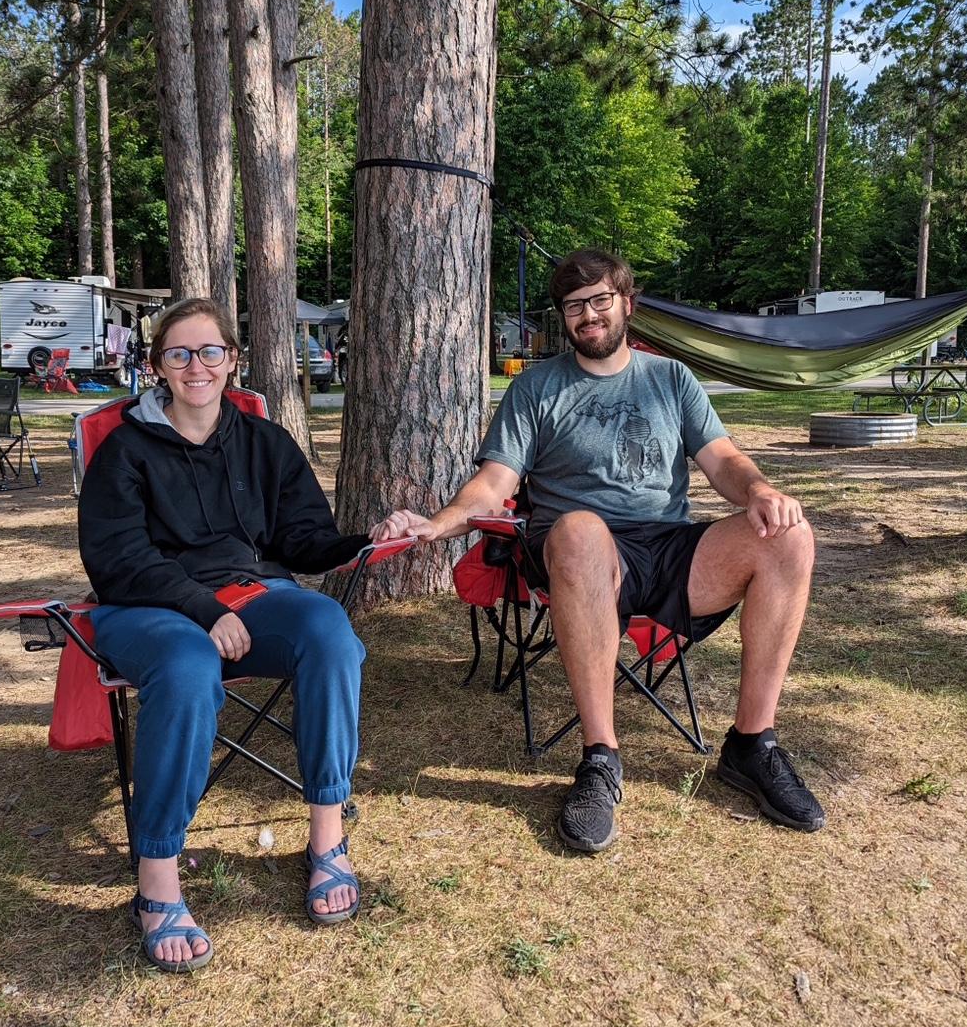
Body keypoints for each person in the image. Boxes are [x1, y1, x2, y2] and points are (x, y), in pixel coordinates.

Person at [372, 248, 823, 853]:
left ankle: (752, 744)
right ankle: (600, 759)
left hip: (666, 548)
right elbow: (494, 484)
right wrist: (439, 523)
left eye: (599, 301)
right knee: (582, 529)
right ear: (564, 318)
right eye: (574, 306)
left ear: (626, 305)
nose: (588, 315)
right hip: (575, 554)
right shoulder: (536, 388)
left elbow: (723, 462)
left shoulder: (671, 379)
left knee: (789, 536)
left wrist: (762, 489)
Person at [78, 298, 371, 969]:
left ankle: (327, 839)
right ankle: (157, 881)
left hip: (250, 597)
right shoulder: (124, 451)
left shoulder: (265, 442)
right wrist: (205, 612)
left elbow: (302, 538)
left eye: (210, 351)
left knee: (326, 627)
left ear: (232, 360)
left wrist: (361, 541)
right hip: (145, 606)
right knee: (184, 666)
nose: (196, 366)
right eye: (178, 353)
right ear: (156, 366)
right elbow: (118, 561)